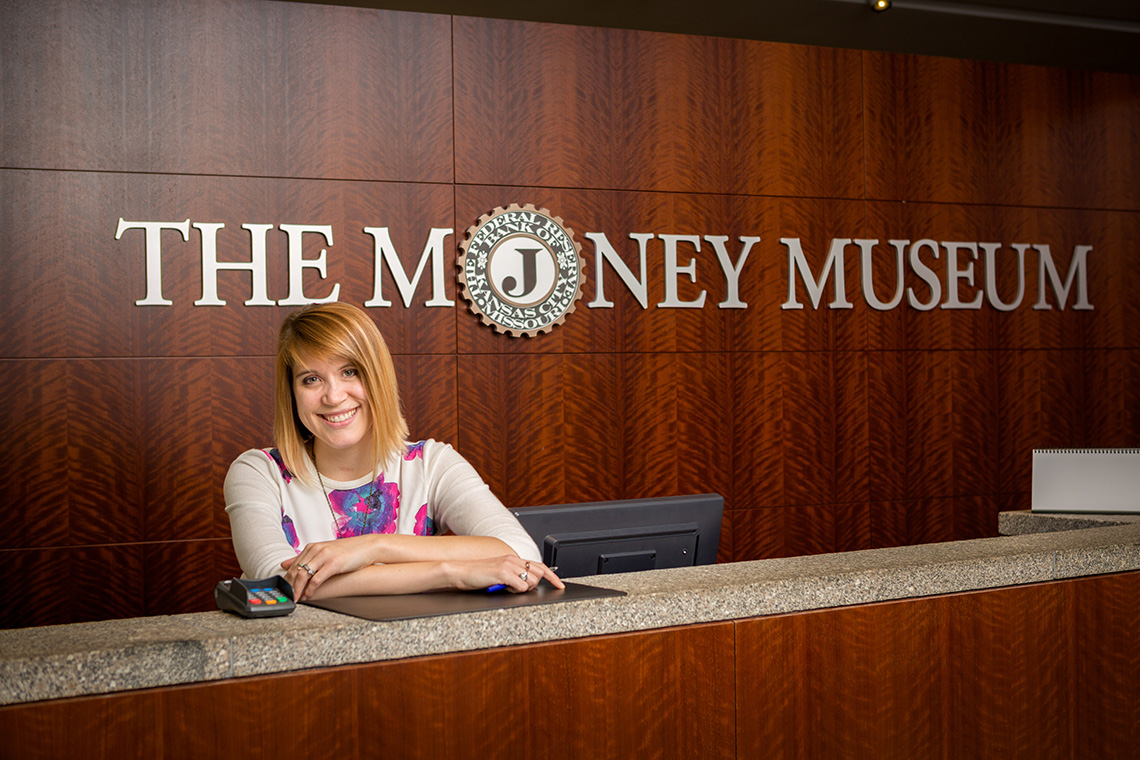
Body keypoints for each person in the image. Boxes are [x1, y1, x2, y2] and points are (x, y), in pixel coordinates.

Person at [224, 302, 563, 601]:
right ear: (292, 393)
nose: (333, 396)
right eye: (311, 379)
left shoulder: (432, 463)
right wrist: (449, 572)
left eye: (349, 372)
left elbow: (520, 552)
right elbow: (277, 583)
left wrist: (374, 547)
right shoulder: (258, 472)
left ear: (378, 377)